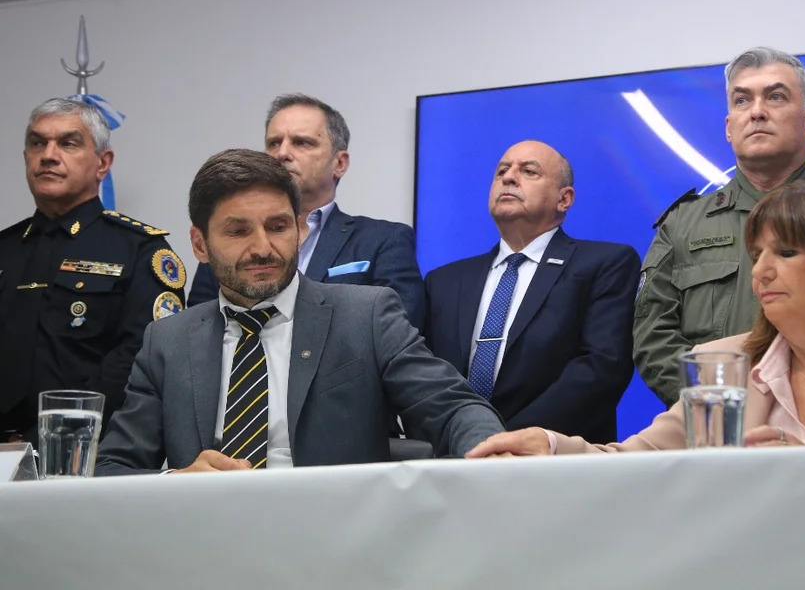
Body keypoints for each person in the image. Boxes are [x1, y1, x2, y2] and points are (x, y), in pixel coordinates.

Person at [466, 180, 805, 456]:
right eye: (758, 253)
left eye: (787, 252)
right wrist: (552, 445)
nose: (762, 270)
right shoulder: (720, 362)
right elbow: (633, 458)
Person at [95, 149, 504, 475]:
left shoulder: (366, 315)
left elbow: (453, 408)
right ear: (200, 245)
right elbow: (115, 465)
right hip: (208, 548)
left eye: (277, 227)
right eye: (237, 232)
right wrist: (176, 483)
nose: (262, 248)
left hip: (338, 550)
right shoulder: (167, 341)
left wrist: (494, 455)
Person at [634, 47, 805, 406]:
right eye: (741, 100)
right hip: (722, 428)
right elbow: (653, 338)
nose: (756, 112)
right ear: (728, 128)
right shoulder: (682, 223)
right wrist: (725, 406)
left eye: (776, 97)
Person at [423, 141, 639, 443]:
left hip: (553, 463)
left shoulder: (605, 264)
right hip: (452, 460)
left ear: (564, 199)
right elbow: (424, 374)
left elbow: (601, 369)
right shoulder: (444, 281)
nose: (508, 178)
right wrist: (459, 436)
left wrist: (503, 440)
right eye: (501, 171)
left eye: (528, 171)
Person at [0, 99, 185, 442]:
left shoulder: (140, 250)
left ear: (103, 164)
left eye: (68, 143)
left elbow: (140, 358)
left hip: (91, 452)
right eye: (37, 142)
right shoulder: (6, 249)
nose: (49, 155)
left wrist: (56, 434)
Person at [187, 94, 425, 327]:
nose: (282, 153)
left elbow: (396, 331)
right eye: (274, 143)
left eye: (302, 142)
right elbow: (199, 327)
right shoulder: (227, 237)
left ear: (339, 163)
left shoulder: (383, 240)